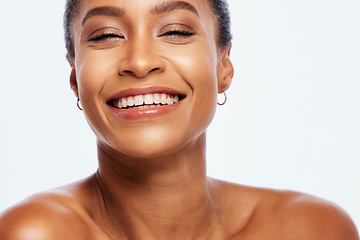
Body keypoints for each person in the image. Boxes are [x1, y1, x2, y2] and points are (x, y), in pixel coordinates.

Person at [0, 0, 358, 239]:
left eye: (175, 31)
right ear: (76, 78)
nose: (139, 62)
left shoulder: (313, 230)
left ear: (223, 67)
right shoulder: (35, 233)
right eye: (106, 35)